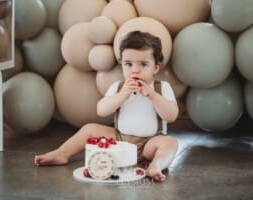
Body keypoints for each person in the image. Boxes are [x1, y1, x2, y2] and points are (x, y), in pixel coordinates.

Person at [34, 31, 179, 182]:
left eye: (143, 64)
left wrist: (153, 96)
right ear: (121, 64)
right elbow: (101, 110)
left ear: (156, 67)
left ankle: (156, 165)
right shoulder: (118, 87)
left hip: (149, 143)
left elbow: (171, 115)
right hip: (120, 140)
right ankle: (62, 153)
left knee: (170, 143)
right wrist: (121, 96)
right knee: (90, 129)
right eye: (128, 64)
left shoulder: (162, 88)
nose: (135, 70)